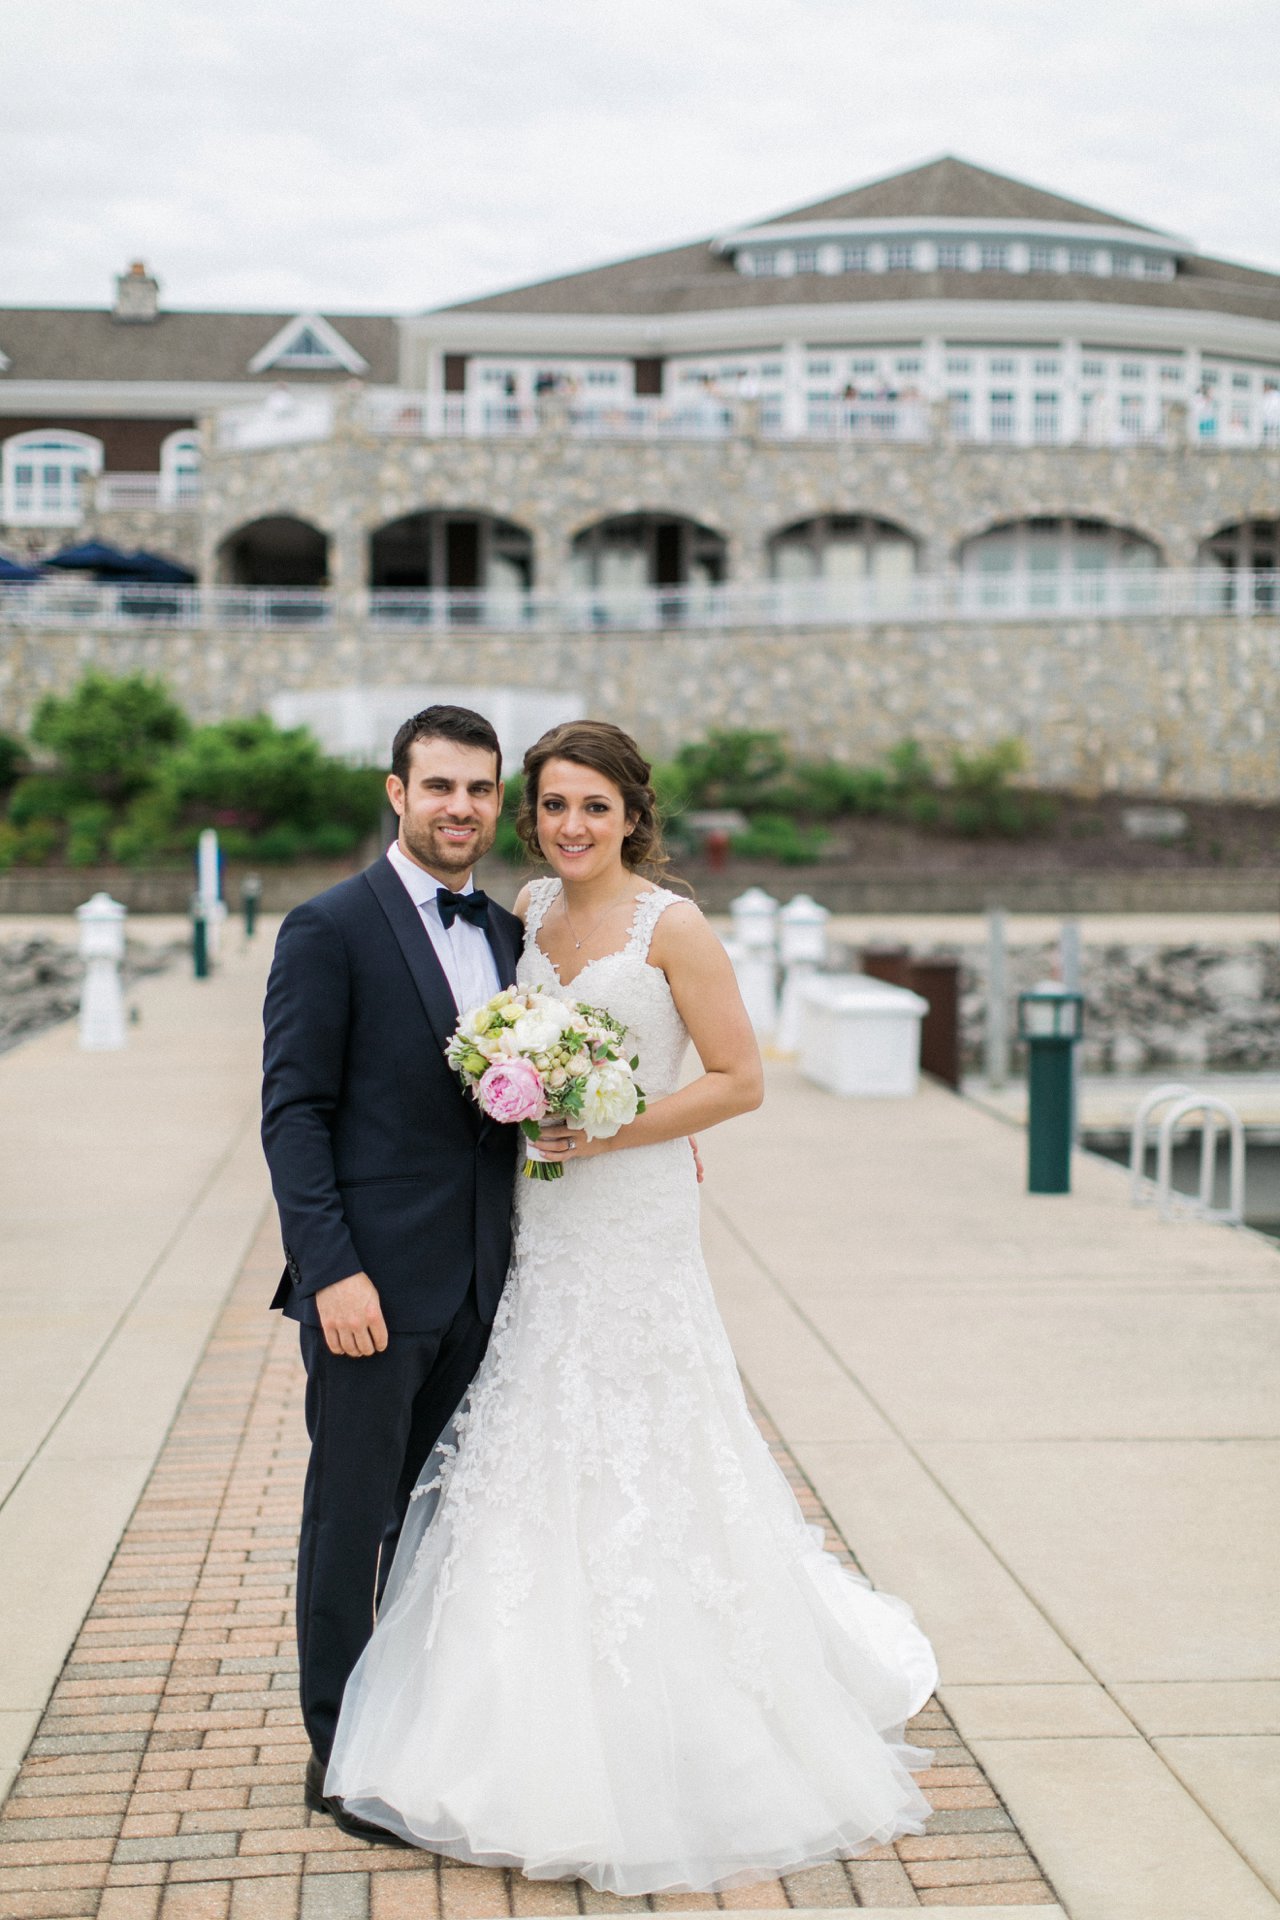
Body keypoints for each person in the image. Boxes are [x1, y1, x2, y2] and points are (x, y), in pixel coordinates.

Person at [326, 719, 938, 1893]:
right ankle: (515, 1701)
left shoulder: (675, 925)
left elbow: (739, 1079)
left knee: (651, 1440)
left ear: (629, 814)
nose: (569, 827)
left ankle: (686, 1700)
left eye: (591, 808)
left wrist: (615, 1126)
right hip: (541, 1222)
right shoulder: (526, 914)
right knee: (533, 1428)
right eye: (551, 806)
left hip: (633, 1215)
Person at [261, 703, 545, 1844]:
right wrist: (330, 1271)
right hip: (370, 1290)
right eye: (439, 788)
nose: (460, 810)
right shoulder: (328, 928)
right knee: (353, 1518)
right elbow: (295, 1113)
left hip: (487, 1282)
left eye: (479, 790)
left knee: (443, 1525)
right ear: (396, 793)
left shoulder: (514, 940)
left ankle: (424, 1730)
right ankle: (339, 1754)